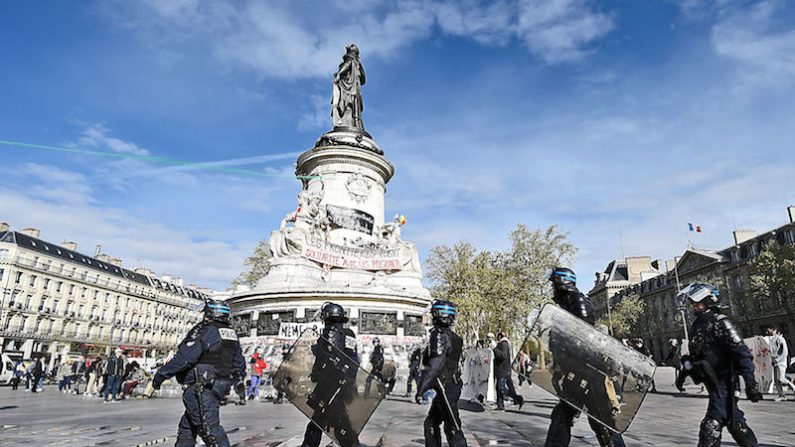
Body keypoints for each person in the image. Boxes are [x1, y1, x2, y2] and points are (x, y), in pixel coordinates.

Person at [543, 267, 625, 447]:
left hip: (585, 372)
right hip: (576, 371)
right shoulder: (567, 302)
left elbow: (582, 336)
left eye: (554, 284)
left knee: (601, 422)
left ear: (562, 283)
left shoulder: (577, 300)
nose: (552, 288)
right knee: (569, 419)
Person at [151, 299, 245, 447]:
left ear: (209, 314)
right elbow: (239, 363)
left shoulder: (206, 330)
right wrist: (236, 383)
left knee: (209, 429)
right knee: (187, 426)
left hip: (201, 387)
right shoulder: (231, 334)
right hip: (218, 385)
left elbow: (185, 358)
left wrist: (160, 376)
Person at [679, 283, 762, 447]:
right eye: (693, 303)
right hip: (712, 382)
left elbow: (741, 352)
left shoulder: (721, 322)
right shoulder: (697, 325)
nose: (694, 306)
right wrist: (684, 373)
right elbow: (697, 355)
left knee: (711, 426)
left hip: (726, 381)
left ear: (709, 301)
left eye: (698, 302)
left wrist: (751, 383)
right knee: (735, 423)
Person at [301, 302, 360, 447]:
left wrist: (317, 372)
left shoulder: (331, 331)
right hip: (345, 384)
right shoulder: (350, 334)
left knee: (327, 421)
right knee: (325, 420)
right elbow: (353, 359)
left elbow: (331, 359)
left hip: (330, 385)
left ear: (326, 316)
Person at [416, 300, 467, 447]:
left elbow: (435, 366)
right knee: (440, 422)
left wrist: (421, 389)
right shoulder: (455, 337)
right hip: (452, 386)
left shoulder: (439, 336)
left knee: (450, 427)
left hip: (444, 387)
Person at [493, 330, 524, 411]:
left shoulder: (503, 344)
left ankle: (518, 398)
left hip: (503, 370)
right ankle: (500, 405)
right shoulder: (503, 344)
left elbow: (503, 356)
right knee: (499, 388)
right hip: (504, 370)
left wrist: (494, 349)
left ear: (499, 336)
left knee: (501, 388)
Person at [767, 326, 794, 401]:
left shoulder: (780, 339)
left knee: (781, 378)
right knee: (776, 380)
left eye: (770, 329)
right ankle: (781, 395)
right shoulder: (770, 340)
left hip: (781, 362)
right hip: (774, 362)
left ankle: (793, 387)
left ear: (775, 330)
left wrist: (778, 360)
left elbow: (785, 352)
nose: (769, 331)